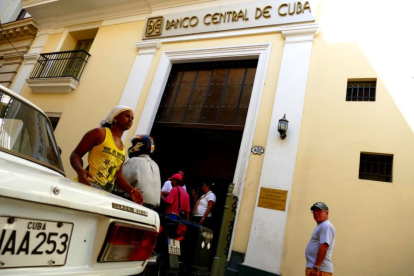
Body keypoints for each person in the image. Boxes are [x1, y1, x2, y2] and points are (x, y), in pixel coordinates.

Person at [70, 105, 143, 205]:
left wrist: (131, 191)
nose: (130, 120)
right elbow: (76, 154)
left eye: (132, 118)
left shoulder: (123, 147)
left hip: (104, 196)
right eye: (127, 116)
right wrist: (79, 170)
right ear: (115, 117)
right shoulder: (99, 133)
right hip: (88, 186)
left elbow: (118, 176)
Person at [122, 135, 161, 209]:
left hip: (134, 204)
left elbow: (119, 180)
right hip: (151, 208)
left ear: (139, 145)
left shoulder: (134, 161)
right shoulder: (155, 165)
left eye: (133, 145)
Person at [305, 202, 336, 276]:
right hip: (317, 269)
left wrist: (316, 267)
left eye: (319, 210)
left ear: (327, 213)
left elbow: (324, 247)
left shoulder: (326, 226)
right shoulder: (322, 226)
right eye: (314, 211)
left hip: (320, 270)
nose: (316, 213)